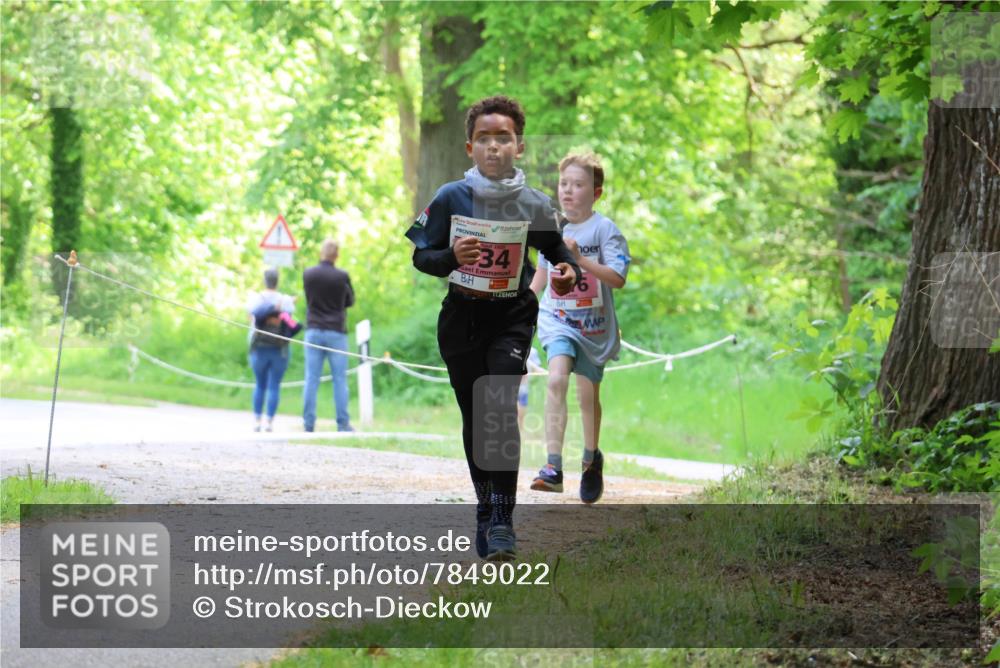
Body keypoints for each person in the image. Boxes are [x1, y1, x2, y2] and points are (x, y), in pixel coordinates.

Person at [404, 95, 580, 561]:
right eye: (484, 138)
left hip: (511, 318)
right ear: (470, 148)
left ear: (519, 146)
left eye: (503, 137)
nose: (494, 147)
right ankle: (485, 506)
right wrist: (450, 258)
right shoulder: (450, 197)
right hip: (461, 320)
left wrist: (566, 272)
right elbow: (421, 255)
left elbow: (558, 254)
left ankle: (503, 519)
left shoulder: (534, 203)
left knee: (499, 408)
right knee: (475, 419)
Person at [529, 152, 631, 504]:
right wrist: (522, 308)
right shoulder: (549, 229)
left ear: (597, 193)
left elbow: (617, 279)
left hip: (594, 328)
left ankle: (591, 459)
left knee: (588, 397)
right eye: (563, 184)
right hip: (557, 320)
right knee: (556, 379)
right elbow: (541, 275)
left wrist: (579, 259)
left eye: (578, 185)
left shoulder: (605, 230)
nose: (568, 191)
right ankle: (553, 467)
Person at [302, 239, 355, 432]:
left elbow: (309, 298)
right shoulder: (342, 276)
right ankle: (342, 423)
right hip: (336, 331)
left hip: (314, 329)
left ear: (321, 252)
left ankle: (308, 424)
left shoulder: (308, 274)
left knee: (311, 378)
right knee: (339, 379)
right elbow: (350, 301)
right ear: (336, 255)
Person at [247, 268, 302, 432]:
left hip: (259, 347)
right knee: (274, 386)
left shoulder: (255, 299)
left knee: (260, 384)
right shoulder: (285, 300)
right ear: (277, 281)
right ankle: (269, 422)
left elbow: (250, 318)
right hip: (280, 348)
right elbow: (290, 321)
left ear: (265, 281)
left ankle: (257, 421)